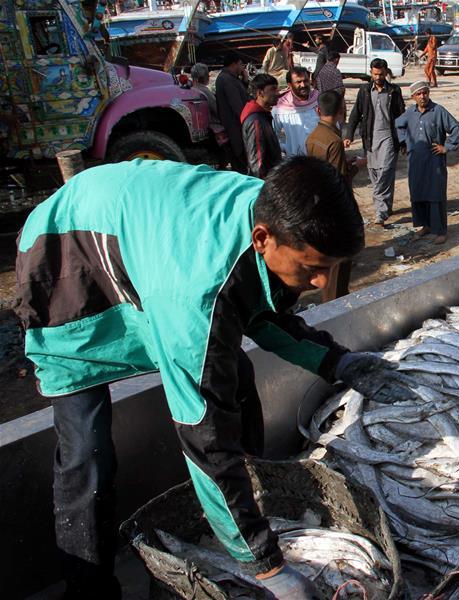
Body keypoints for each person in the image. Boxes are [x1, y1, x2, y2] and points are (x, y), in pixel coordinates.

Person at [14, 156, 417, 599]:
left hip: (140, 236)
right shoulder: (196, 296)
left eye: (331, 266)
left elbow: (259, 308)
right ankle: (88, 589)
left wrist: (337, 362)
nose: (323, 283)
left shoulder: (273, 209)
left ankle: (245, 511)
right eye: (311, 268)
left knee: (236, 378)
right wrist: (266, 566)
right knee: (87, 450)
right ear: (262, 238)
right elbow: (205, 437)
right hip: (66, 261)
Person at [306, 90, 363, 301]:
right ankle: (335, 304)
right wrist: (357, 166)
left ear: (318, 110)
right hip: (337, 209)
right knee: (339, 263)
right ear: (341, 111)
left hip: (320, 203)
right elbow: (339, 180)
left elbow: (322, 169)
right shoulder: (334, 140)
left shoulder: (313, 137)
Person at [396, 81, 459, 245]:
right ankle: (425, 226)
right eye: (418, 94)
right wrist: (404, 142)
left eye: (425, 93)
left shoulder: (438, 111)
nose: (422, 96)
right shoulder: (410, 113)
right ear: (413, 97)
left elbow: (456, 128)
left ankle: (440, 231)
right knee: (418, 193)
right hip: (415, 161)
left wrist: (446, 147)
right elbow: (398, 125)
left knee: (435, 194)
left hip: (434, 161)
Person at [344, 58, 405, 226]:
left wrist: (404, 141)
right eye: (375, 74)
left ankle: (380, 212)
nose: (378, 77)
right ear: (371, 73)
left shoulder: (394, 90)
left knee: (385, 170)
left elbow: (401, 116)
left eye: (381, 74)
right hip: (370, 138)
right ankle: (387, 206)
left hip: (389, 136)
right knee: (375, 173)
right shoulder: (364, 91)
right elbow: (355, 114)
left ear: (386, 73)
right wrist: (349, 135)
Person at [272, 66, 319, 157]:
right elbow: (272, 135)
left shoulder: (318, 100)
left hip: (319, 158)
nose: (303, 85)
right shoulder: (281, 107)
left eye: (305, 81)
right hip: (295, 159)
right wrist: (285, 147)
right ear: (289, 85)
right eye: (298, 82)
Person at [216, 51, 251, 173]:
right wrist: (248, 122)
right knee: (239, 159)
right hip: (235, 126)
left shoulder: (231, 78)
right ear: (234, 64)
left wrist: (245, 80)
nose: (242, 68)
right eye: (241, 64)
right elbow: (237, 105)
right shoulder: (226, 79)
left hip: (236, 125)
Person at [242, 73, 282, 179]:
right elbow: (257, 162)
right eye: (273, 89)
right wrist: (264, 184)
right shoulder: (256, 121)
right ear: (260, 93)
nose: (277, 93)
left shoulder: (262, 115)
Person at [191, 62, 228, 154]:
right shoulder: (204, 91)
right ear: (205, 77)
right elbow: (217, 110)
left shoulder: (192, 89)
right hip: (213, 127)